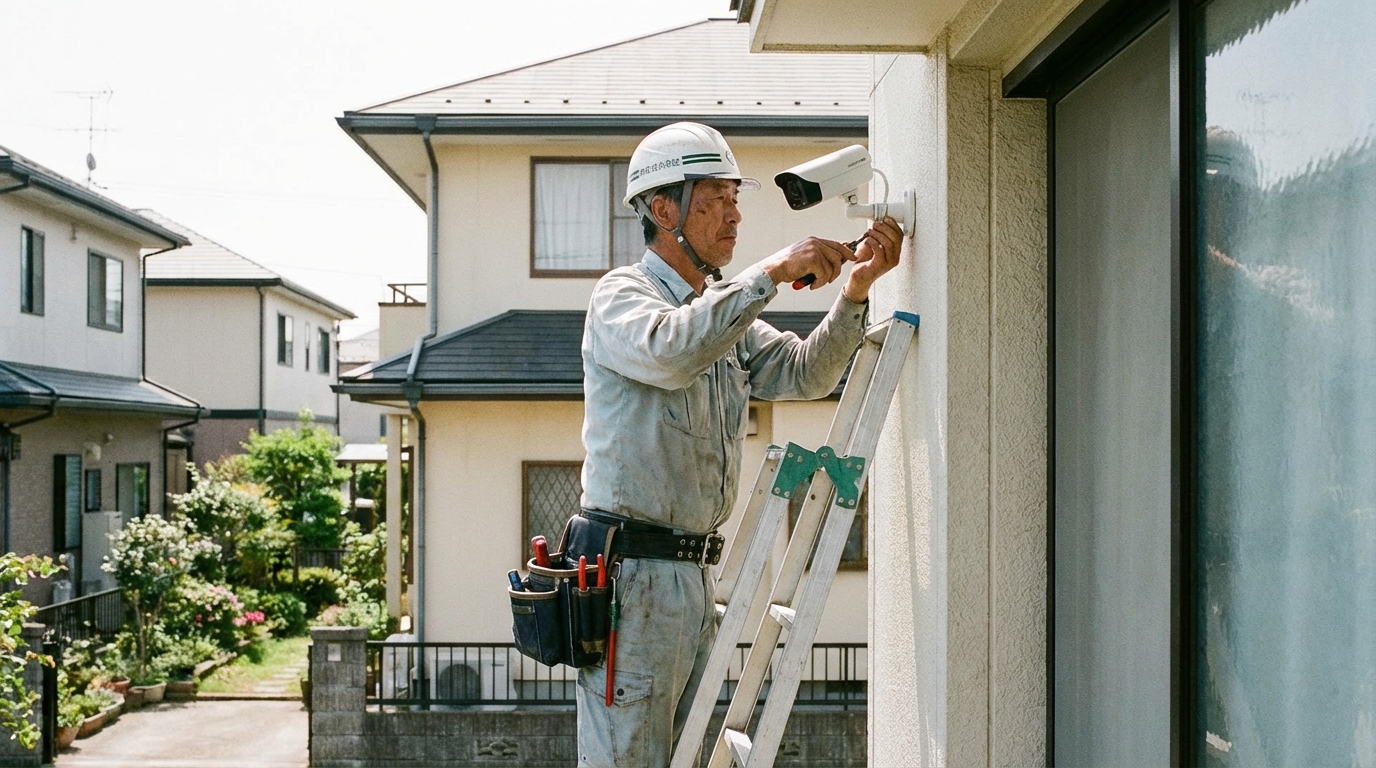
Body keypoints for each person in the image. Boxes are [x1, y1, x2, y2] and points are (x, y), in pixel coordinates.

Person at [570, 122, 901, 767]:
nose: (734, 215)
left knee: (687, 758)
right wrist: (773, 271)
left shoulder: (723, 312)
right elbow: (671, 351)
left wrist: (855, 291)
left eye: (734, 197)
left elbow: (807, 373)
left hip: (694, 575)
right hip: (632, 575)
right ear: (663, 210)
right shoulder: (622, 296)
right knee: (629, 760)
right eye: (715, 199)